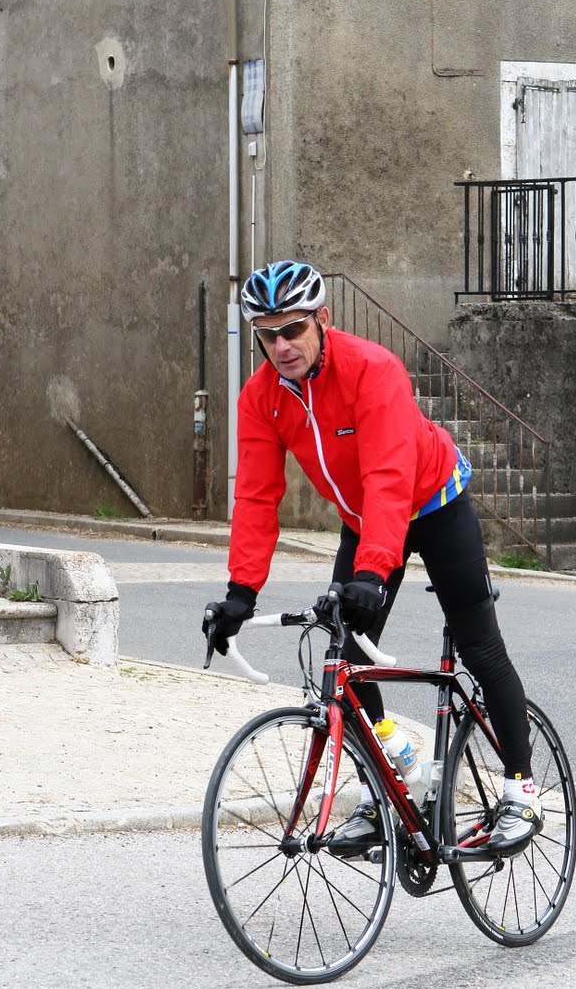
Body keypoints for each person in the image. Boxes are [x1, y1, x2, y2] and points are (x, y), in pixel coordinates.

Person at [202, 259, 542, 856]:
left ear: (322, 320)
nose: (281, 346)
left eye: (293, 329)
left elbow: (388, 476)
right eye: (267, 334)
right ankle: (382, 785)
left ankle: (521, 791)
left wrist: (371, 573)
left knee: (481, 647)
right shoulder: (261, 398)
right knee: (346, 655)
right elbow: (256, 495)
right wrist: (240, 593)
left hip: (434, 502)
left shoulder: (373, 370)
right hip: (364, 519)